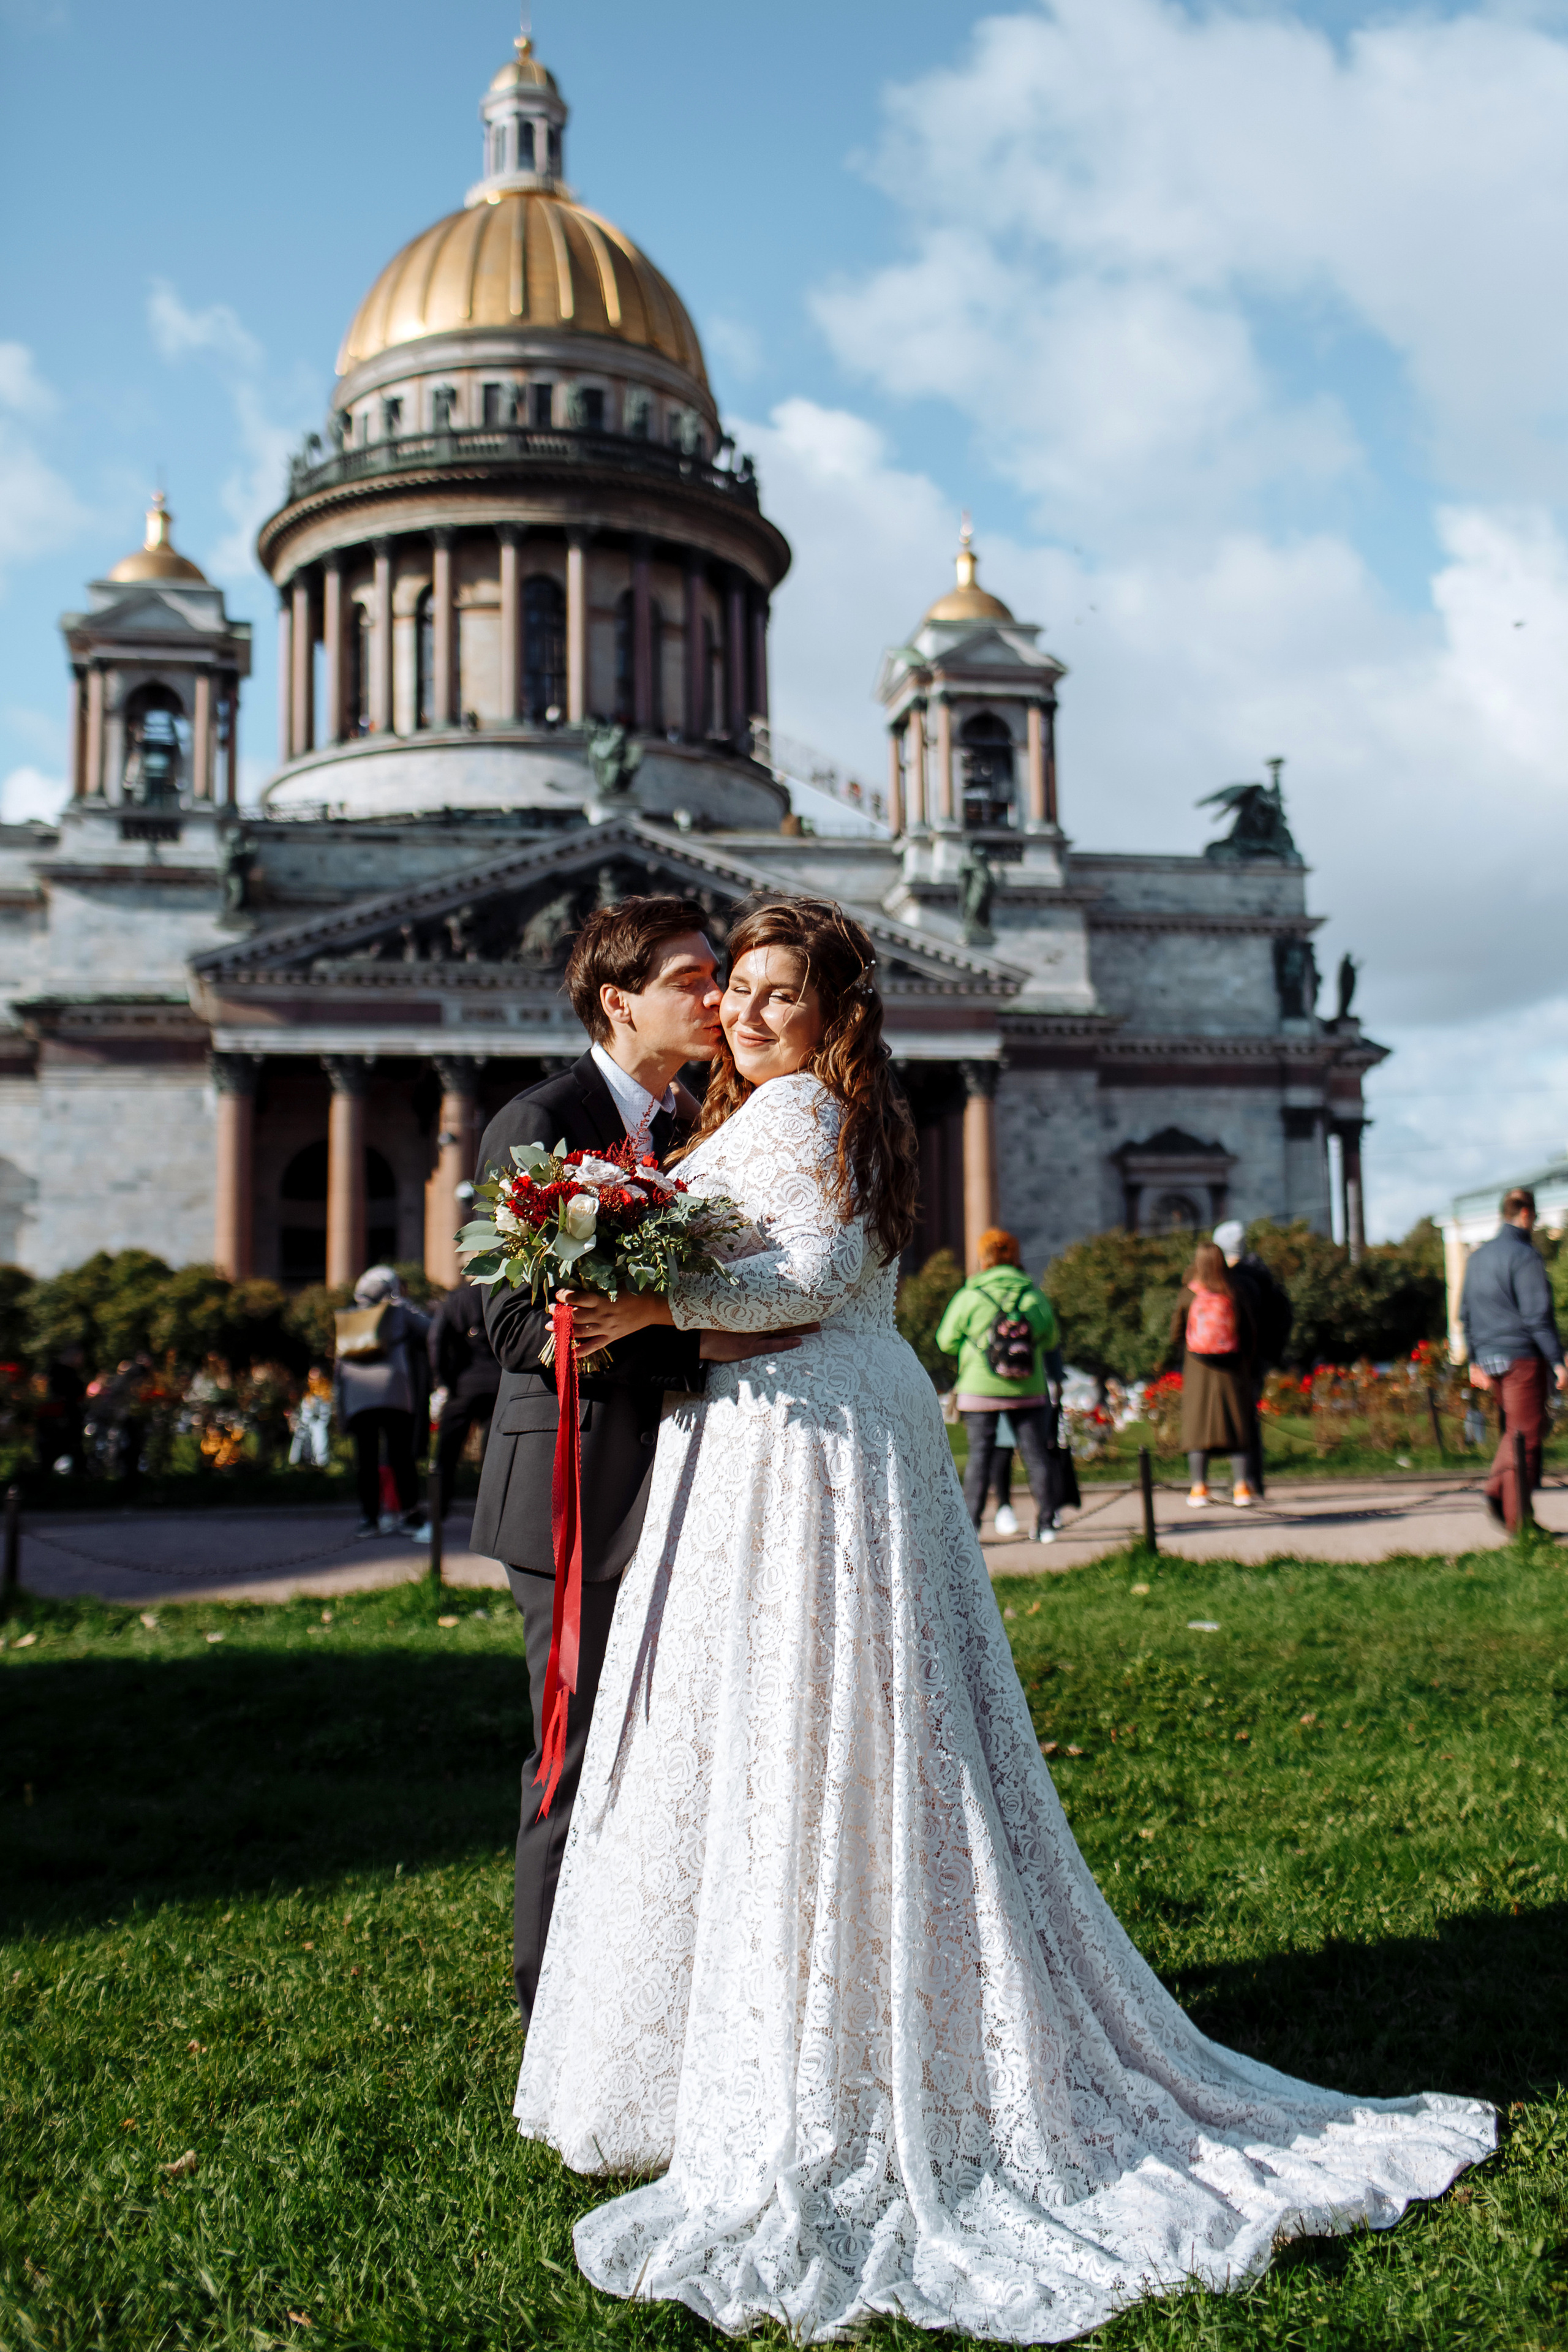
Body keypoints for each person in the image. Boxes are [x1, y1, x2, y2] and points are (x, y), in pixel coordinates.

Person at [514, 893, 1492, 2344]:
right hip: (758, 1442)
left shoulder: (817, 1116)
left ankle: (834, 2056)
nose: (743, 1008)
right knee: (753, 1727)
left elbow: (819, 1280)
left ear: (833, 1009)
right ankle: (739, 2047)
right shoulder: (747, 1113)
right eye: (736, 988)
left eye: (780, 991)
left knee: (825, 1722)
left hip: (812, 1445)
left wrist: (648, 1312)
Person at [469, 895, 815, 2029]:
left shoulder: (690, 1129)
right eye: (691, 978)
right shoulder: (541, 1119)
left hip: (682, 1487)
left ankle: (649, 1995)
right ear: (618, 1000)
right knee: (572, 1758)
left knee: (669, 1751)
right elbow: (521, 1332)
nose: (719, 998)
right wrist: (700, 1334)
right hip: (574, 1487)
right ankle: (549, 2017)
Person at [934, 1227, 1068, 1542]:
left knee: (980, 1454)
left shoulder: (970, 1296)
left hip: (979, 1389)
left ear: (982, 1259)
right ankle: (1046, 1524)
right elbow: (1051, 1339)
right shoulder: (1032, 1295)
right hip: (1029, 1389)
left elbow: (945, 1341)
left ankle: (973, 1525)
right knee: (1036, 1455)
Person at [1459, 1185, 1567, 1529]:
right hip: (1521, 1355)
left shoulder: (1477, 1257)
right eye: (1533, 1218)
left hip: (1489, 1357)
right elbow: (1538, 1316)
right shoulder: (1525, 1256)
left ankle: (1511, 1508)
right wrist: (1557, 1360)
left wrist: (1474, 1359)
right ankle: (1513, 1514)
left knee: (1512, 1432)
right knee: (1527, 1433)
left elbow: (1465, 1313)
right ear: (1525, 1214)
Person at [406, 1259, 500, 1543]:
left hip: (463, 1386)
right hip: (501, 1382)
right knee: (497, 1458)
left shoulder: (457, 1299)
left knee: (445, 1456)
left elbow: (436, 1339)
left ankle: (435, 1521)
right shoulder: (502, 1293)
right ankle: (496, 1525)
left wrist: (445, 1380)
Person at [332, 1266, 430, 1537]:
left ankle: (369, 1519)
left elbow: (338, 1366)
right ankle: (410, 1516)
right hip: (394, 1393)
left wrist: (340, 1408)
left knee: (366, 1460)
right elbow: (430, 1328)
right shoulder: (400, 1311)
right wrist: (405, 1303)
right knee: (401, 1457)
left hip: (357, 1395)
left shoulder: (350, 1316)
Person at [1174, 1241, 1259, 1508]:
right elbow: (1250, 1331)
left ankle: (1199, 1487)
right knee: (1237, 1428)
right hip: (1232, 1370)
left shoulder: (1189, 1294)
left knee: (1198, 1430)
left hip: (1198, 1368)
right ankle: (1241, 1487)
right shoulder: (1235, 1291)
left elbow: (1175, 1333)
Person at [1213, 1217, 1293, 1498]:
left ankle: (1245, 1484)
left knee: (1240, 1420)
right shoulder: (1261, 1276)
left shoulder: (1234, 1282)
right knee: (1249, 1419)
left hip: (1237, 1359)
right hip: (1258, 1358)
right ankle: (1250, 1481)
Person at [288, 1365, 333, 1469]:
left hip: (319, 1423)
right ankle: (298, 1463)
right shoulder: (307, 1393)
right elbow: (303, 1412)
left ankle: (320, 1463)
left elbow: (325, 1415)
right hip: (305, 1423)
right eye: (311, 1378)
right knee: (300, 1433)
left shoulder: (327, 1393)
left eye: (315, 1378)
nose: (312, 1381)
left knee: (319, 1432)